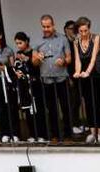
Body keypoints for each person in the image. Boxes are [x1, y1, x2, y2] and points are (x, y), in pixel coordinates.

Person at [33, 14, 71, 143]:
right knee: (52, 109)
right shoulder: (37, 41)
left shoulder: (63, 39)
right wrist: (37, 58)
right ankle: (55, 135)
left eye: (48, 26)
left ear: (53, 25)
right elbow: (34, 62)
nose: (46, 29)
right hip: (46, 80)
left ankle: (68, 136)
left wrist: (64, 61)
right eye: (43, 26)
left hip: (61, 78)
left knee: (66, 108)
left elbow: (69, 58)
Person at [70, 17, 100, 143]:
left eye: (85, 30)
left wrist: (88, 72)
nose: (83, 33)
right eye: (81, 31)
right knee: (88, 104)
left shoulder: (96, 38)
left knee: (97, 103)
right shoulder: (76, 41)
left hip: (94, 74)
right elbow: (77, 59)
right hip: (83, 75)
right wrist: (77, 72)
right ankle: (92, 132)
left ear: (89, 28)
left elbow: (93, 58)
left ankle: (99, 133)